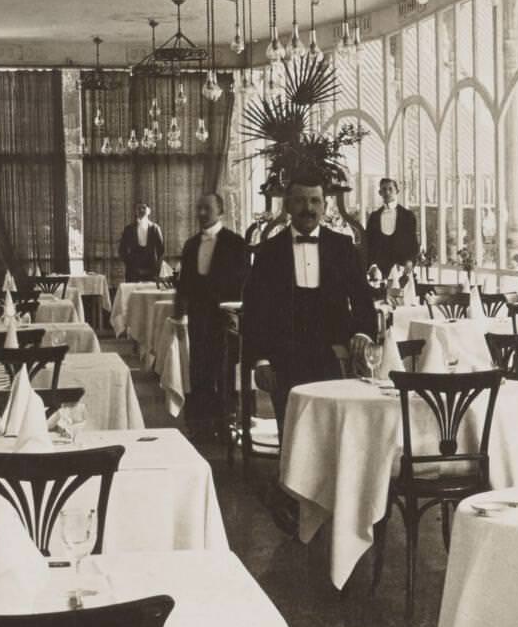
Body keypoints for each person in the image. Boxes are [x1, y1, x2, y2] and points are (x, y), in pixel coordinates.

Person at [242, 174, 377, 434]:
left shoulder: (343, 246)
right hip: (284, 353)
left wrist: (362, 332)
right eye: (301, 201)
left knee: (333, 426)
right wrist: (260, 360)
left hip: (333, 352)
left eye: (315, 201)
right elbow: (255, 309)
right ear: (288, 206)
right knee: (291, 427)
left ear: (324, 206)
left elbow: (362, 298)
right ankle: (289, 475)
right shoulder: (269, 250)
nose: (309, 208)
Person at [173, 192, 248, 430]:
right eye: (199, 208)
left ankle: (225, 421)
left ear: (221, 211)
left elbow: (244, 282)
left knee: (223, 369)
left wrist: (237, 315)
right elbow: (183, 284)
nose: (202, 213)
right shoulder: (191, 244)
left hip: (225, 317)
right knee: (199, 367)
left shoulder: (235, 243)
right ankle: (201, 423)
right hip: (198, 316)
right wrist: (179, 313)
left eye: (207, 208)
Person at [364, 178, 420, 279]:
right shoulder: (374, 217)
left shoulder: (408, 216)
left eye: (390, 189)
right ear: (380, 193)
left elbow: (413, 243)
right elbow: (368, 244)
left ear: (397, 191)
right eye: (384, 189)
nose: (387, 192)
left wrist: (410, 262)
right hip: (379, 271)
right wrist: (372, 266)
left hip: (402, 268)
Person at [118, 202, 165, 282]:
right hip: (133, 270)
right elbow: (122, 249)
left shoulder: (155, 228)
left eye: (144, 208)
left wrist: (156, 266)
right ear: (135, 211)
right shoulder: (128, 229)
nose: (141, 210)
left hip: (151, 269)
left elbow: (161, 250)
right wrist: (129, 263)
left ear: (149, 211)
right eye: (138, 208)